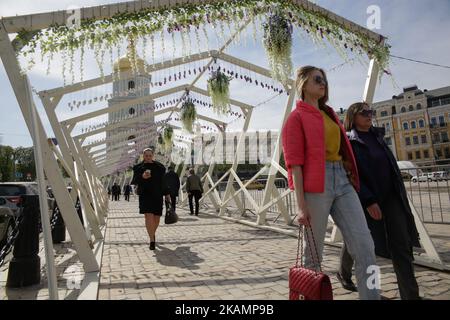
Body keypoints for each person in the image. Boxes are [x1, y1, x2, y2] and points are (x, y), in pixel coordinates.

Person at [281, 65, 380, 300]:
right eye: (317, 79)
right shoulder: (296, 118)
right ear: (303, 83)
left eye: (324, 80)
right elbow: (294, 163)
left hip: (343, 182)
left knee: (365, 245)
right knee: (314, 255)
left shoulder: (330, 113)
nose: (323, 83)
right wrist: (301, 205)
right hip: (316, 185)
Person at [337, 102, 421, 299]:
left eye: (371, 112)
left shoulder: (378, 136)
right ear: (353, 116)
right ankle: (347, 274)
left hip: (391, 197)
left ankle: (411, 295)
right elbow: (351, 174)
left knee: (401, 244)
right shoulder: (349, 141)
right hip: (366, 200)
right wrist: (368, 200)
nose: (370, 115)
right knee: (363, 243)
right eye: (364, 112)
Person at [131, 148, 170, 250]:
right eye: (146, 155)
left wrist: (167, 194)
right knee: (148, 217)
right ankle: (152, 240)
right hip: (145, 195)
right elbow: (134, 181)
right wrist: (142, 177)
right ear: (143, 156)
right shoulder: (138, 167)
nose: (148, 157)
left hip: (157, 195)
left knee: (156, 219)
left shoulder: (160, 167)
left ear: (153, 155)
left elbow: (164, 181)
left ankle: (152, 234)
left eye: (149, 155)